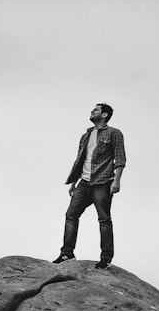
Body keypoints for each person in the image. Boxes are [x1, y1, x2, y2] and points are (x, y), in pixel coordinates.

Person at [53, 103, 126, 269]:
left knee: (104, 219)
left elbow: (120, 158)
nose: (92, 111)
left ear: (105, 115)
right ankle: (67, 253)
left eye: (96, 110)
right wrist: (73, 183)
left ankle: (106, 257)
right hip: (83, 183)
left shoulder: (114, 133)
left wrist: (117, 181)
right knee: (71, 215)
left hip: (103, 182)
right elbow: (80, 161)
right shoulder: (86, 136)